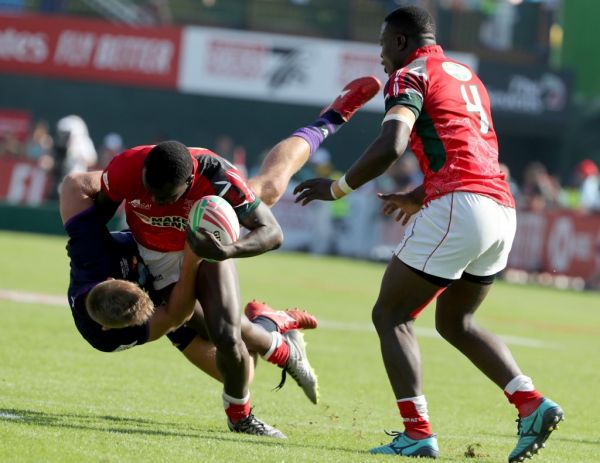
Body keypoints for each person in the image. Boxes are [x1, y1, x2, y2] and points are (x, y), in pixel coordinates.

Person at [293, 6, 563, 461]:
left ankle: (417, 433)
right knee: (456, 322)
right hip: (500, 210)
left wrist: (337, 187)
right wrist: (421, 193)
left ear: (400, 41)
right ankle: (530, 402)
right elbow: (468, 151)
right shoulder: (466, 77)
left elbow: (392, 144)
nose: (380, 56)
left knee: (391, 314)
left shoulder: (409, 75)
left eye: (382, 44)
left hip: (462, 207)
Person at [60, 171, 320, 430]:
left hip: (160, 244)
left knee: (267, 189)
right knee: (243, 371)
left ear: (110, 278)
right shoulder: (109, 337)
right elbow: (175, 315)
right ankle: (272, 326)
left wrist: (121, 184)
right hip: (173, 297)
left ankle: (319, 129)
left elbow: (74, 185)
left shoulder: (90, 254)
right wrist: (191, 258)